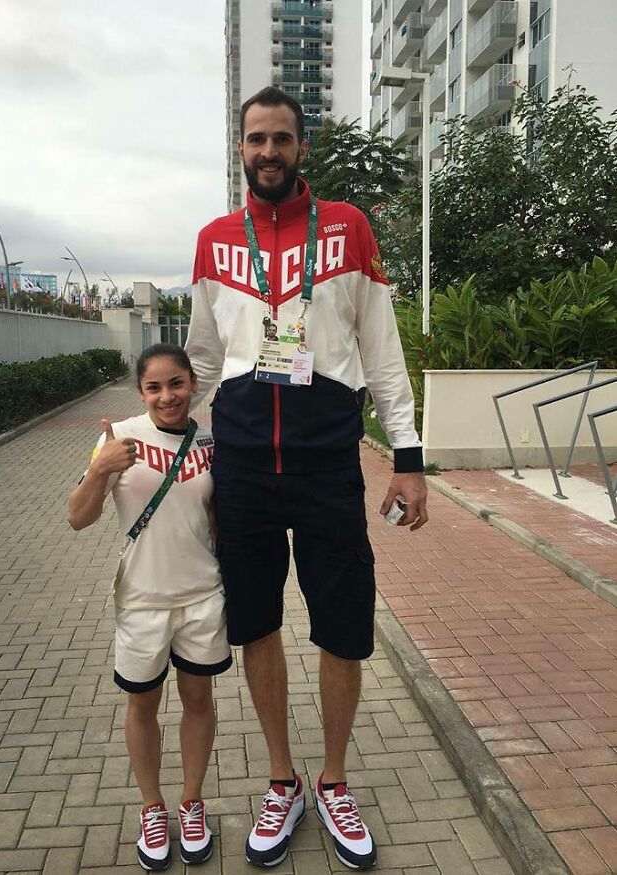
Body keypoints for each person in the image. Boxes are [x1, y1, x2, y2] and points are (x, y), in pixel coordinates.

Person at [186, 86, 428, 870]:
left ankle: (334, 779)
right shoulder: (215, 242)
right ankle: (281, 779)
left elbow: (382, 350)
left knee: (343, 627)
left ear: (301, 147)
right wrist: (163, 440)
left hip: (327, 461)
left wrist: (408, 456)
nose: (268, 151)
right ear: (240, 147)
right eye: (255, 139)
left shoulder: (350, 228)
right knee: (256, 624)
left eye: (281, 138)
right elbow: (202, 358)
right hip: (244, 464)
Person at [67, 343, 231, 872]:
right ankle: (152, 808)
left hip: (202, 596)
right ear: (140, 392)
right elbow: (77, 518)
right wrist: (99, 470)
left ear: (192, 385)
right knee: (142, 705)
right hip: (142, 600)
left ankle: (191, 803)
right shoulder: (119, 438)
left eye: (176, 384)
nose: (167, 396)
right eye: (154, 387)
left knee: (198, 701)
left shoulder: (209, 440)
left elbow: (217, 517)